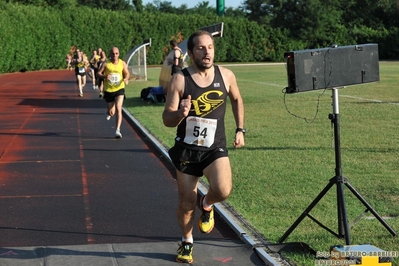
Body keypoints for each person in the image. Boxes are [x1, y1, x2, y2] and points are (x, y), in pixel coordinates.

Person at [162, 30, 245, 264]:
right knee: (186, 203)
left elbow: (237, 99)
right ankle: (187, 242)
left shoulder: (226, 75)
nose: (207, 52)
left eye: (210, 47)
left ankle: (207, 204)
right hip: (187, 150)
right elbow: (167, 118)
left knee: (223, 189)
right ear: (190, 52)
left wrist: (240, 129)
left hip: (214, 147)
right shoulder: (180, 79)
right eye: (201, 48)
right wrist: (180, 113)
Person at [97, 47, 130, 138]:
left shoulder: (122, 63)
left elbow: (127, 73)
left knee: (119, 108)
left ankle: (117, 130)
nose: (114, 55)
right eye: (113, 53)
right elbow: (98, 73)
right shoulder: (106, 64)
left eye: (116, 53)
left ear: (119, 54)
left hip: (119, 88)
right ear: (110, 54)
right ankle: (108, 112)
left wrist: (126, 78)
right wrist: (104, 76)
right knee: (112, 113)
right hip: (109, 90)